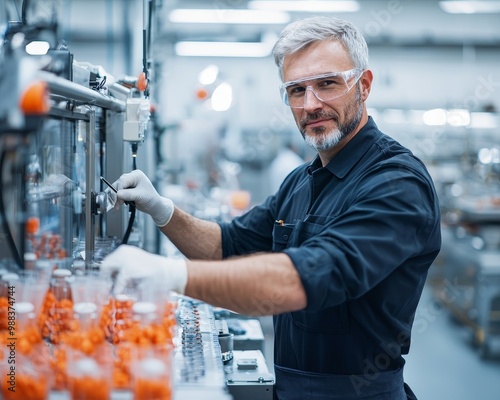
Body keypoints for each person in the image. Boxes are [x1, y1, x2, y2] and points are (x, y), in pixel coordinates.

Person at [102, 16, 441, 400]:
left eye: (327, 83)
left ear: (363, 85)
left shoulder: (396, 183)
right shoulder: (300, 181)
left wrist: (169, 275)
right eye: (296, 90)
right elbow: (226, 245)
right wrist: (163, 210)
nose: (311, 104)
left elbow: (304, 279)